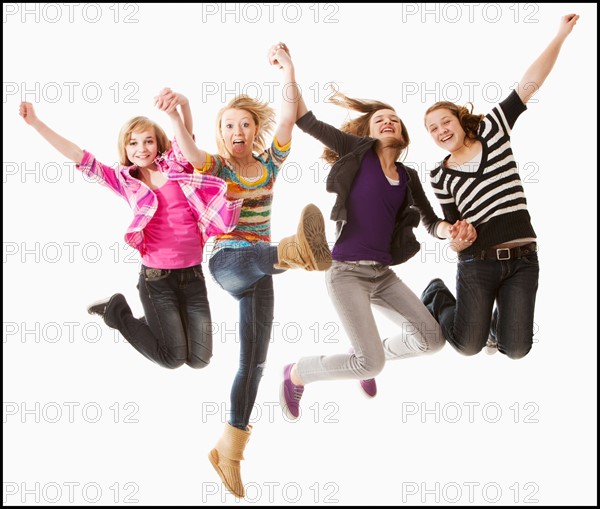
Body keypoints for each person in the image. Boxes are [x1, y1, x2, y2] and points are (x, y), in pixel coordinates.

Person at [154, 43, 331, 499]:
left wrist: (290, 68)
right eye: (228, 124)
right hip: (229, 261)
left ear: (254, 131)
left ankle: (228, 451)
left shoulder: (269, 164)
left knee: (253, 363)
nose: (237, 129)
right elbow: (189, 152)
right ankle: (299, 251)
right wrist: (176, 119)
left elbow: (289, 115)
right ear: (222, 132)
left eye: (245, 123)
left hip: (265, 266)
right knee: (261, 254)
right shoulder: (214, 167)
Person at [277, 47, 476, 421]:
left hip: (382, 276)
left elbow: (431, 221)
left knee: (432, 342)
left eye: (395, 120)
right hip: (347, 273)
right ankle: (298, 372)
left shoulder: (408, 178)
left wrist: (453, 229)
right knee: (372, 363)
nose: (388, 122)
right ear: (368, 132)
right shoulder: (358, 153)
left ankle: (370, 357)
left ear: (404, 135)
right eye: (380, 119)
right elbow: (305, 119)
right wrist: (289, 69)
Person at [18, 99, 242, 370]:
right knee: (173, 359)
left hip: (193, 275)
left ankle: (156, 320)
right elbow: (78, 155)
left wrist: (182, 105)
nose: (141, 149)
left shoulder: (177, 168)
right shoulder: (125, 182)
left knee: (199, 360)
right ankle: (116, 311)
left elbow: (185, 135)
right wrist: (36, 124)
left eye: (147, 141)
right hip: (156, 280)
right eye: (133, 143)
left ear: (158, 143)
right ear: (125, 148)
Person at [420, 14, 579, 359]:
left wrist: (560, 36)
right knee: (467, 346)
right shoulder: (439, 175)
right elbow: (449, 223)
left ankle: (494, 327)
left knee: (516, 348)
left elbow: (529, 84)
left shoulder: (493, 129)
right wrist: (454, 236)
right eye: (432, 129)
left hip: (523, 259)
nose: (441, 130)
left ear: (459, 120)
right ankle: (435, 294)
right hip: (477, 261)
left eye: (445, 121)